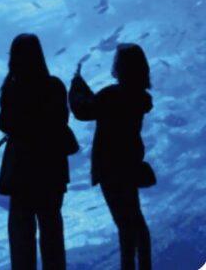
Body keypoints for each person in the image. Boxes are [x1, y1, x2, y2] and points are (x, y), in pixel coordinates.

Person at [70, 44, 153, 269]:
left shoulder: (112, 95)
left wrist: (76, 84)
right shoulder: (137, 96)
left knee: (125, 224)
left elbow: (83, 110)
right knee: (134, 220)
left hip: (110, 168)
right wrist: (82, 86)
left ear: (121, 67)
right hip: (129, 165)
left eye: (116, 59)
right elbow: (96, 104)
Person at [0, 33, 71, 270]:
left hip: (22, 169)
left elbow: (4, 123)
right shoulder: (55, 86)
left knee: (21, 233)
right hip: (51, 166)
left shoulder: (11, 88)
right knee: (51, 227)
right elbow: (62, 119)